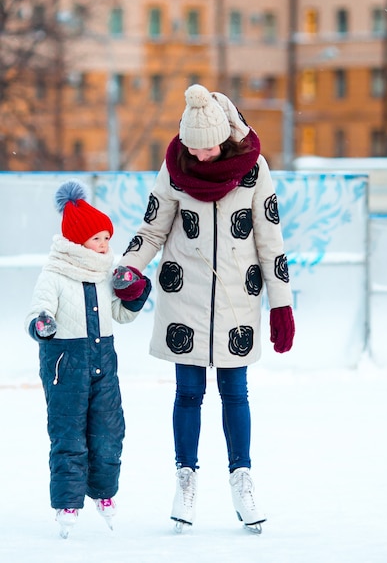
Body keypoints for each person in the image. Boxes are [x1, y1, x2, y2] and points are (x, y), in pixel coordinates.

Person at [113, 84, 295, 533]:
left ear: (225, 138)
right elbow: (151, 230)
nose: (201, 156)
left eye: (208, 147)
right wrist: (129, 267)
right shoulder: (175, 168)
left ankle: (241, 478)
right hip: (184, 299)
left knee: (236, 392)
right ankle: (186, 477)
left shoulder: (254, 170)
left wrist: (281, 305)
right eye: (193, 148)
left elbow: (270, 242)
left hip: (237, 301)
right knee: (188, 392)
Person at [25, 180, 151, 538]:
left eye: (108, 238)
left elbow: (121, 316)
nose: (105, 245)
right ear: (79, 242)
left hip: (103, 366)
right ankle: (67, 502)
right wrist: (42, 324)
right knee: (69, 437)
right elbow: (37, 312)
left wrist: (135, 295)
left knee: (110, 433)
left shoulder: (102, 276)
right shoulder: (54, 274)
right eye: (97, 239)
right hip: (66, 368)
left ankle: (104, 493)